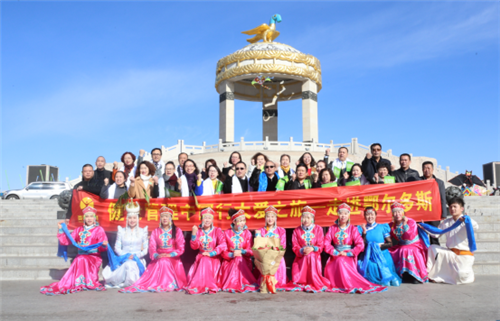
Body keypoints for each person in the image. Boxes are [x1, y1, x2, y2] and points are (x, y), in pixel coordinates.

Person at [41, 206, 108, 295]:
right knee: (80, 259)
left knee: (81, 259)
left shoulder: (99, 230)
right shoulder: (78, 230)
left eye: (91, 216)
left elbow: (103, 247)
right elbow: (67, 241)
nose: (89, 219)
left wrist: (104, 245)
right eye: (87, 216)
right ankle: (78, 282)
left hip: (93, 257)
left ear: (94, 218)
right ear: (84, 218)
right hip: (80, 255)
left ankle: (87, 282)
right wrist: (61, 229)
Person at [120, 207, 187, 293]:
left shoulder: (177, 231)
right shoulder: (156, 231)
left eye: (167, 216)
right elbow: (152, 248)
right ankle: (161, 283)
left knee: (165, 261)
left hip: (173, 258)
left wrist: (170, 254)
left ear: (171, 218)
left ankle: (168, 284)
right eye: (163, 216)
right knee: (162, 260)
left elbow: (181, 248)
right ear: (160, 218)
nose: (165, 218)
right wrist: (156, 255)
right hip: (159, 257)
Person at [324, 204, 387, 293]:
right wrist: (334, 252)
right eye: (341, 213)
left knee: (341, 261)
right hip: (335, 254)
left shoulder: (353, 229)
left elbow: (360, 244)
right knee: (338, 260)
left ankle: (346, 284)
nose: (343, 216)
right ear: (338, 214)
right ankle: (339, 284)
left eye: (345, 213)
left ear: (348, 215)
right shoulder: (332, 228)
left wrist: (348, 253)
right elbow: (326, 243)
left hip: (348, 255)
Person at [421, 197, 479, 285]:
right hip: (450, 253)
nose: (452, 209)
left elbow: (476, 227)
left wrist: (468, 220)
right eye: (451, 207)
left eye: (455, 207)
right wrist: (425, 227)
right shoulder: (446, 222)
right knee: (432, 248)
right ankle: (427, 274)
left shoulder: (466, 221)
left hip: (464, 255)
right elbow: (436, 234)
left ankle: (470, 276)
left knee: (461, 276)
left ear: (461, 208)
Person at [102, 200, 148, 288]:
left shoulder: (143, 231)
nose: (132, 220)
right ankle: (123, 281)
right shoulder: (121, 231)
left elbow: (146, 249)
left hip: (137, 259)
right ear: (127, 219)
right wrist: (125, 255)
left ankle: (128, 282)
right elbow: (117, 248)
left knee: (130, 264)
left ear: (137, 218)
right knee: (127, 264)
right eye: (130, 218)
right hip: (123, 258)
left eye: (134, 218)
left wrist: (136, 255)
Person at [284, 206, 330, 292]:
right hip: (301, 256)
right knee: (307, 255)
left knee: (311, 255)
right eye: (304, 217)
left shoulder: (318, 229)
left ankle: (313, 280)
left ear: (312, 218)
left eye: (308, 217)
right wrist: (301, 250)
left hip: (314, 255)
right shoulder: (296, 230)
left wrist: (313, 248)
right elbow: (295, 246)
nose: (306, 220)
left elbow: (321, 244)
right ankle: (302, 280)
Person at [185, 207, 227, 294]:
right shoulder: (199, 231)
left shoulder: (217, 230)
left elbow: (223, 245)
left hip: (213, 258)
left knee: (205, 259)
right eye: (205, 217)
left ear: (212, 220)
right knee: (204, 259)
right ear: (201, 219)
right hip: (201, 257)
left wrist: (211, 253)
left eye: (209, 218)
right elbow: (194, 247)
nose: (207, 220)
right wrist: (193, 234)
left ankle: (206, 285)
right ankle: (201, 285)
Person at [357, 207, 401, 287]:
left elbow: (390, 243)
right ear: (364, 216)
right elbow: (362, 245)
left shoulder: (382, 227)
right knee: (370, 266)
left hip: (382, 254)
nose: (370, 217)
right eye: (367, 215)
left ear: (376, 215)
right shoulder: (361, 228)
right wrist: (364, 233)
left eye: (372, 214)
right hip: (368, 255)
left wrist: (377, 247)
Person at [219, 208, 258, 293]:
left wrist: (242, 252)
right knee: (237, 258)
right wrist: (232, 255)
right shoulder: (226, 233)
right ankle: (235, 283)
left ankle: (239, 283)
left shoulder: (247, 233)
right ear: (234, 222)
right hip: (229, 262)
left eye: (244, 220)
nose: (243, 223)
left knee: (239, 258)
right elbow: (223, 252)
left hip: (244, 261)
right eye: (240, 221)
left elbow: (251, 251)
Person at [389, 202, 428, 284]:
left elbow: (409, 236)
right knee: (388, 252)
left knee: (406, 250)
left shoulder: (411, 222)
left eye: (399, 211)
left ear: (403, 212)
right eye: (395, 212)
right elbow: (387, 236)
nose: (397, 214)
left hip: (414, 245)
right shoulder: (392, 225)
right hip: (401, 245)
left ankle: (415, 275)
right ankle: (401, 274)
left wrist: (405, 224)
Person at [254, 206, 288, 290]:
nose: (270, 219)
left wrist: (274, 252)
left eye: (272, 217)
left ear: (276, 218)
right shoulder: (260, 230)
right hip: (264, 256)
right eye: (268, 216)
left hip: (277, 256)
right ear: (265, 218)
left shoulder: (281, 230)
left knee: (279, 260)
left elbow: (283, 245)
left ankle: (277, 281)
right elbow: (257, 246)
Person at [420, 161, 449, 245]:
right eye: (425, 168)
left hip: (435, 213)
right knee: (422, 236)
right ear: (422, 170)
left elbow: (442, 198)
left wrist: (443, 214)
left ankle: (436, 255)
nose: (427, 170)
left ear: (433, 169)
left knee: (434, 236)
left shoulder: (439, 182)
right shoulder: (418, 181)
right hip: (422, 212)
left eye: (429, 168)